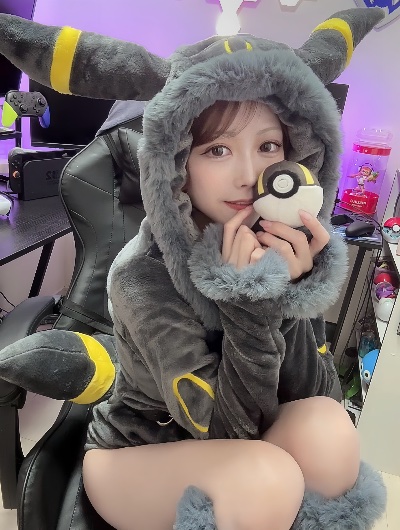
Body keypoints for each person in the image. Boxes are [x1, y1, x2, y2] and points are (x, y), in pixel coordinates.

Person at [0, 6, 387, 530]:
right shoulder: (142, 276)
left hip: (244, 441)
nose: (249, 174)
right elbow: (222, 429)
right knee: (264, 478)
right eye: (217, 149)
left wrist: (292, 290)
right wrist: (250, 302)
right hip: (139, 452)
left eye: (267, 145)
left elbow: (310, 392)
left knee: (330, 427)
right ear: (176, 159)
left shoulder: (280, 243)